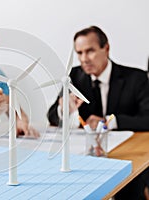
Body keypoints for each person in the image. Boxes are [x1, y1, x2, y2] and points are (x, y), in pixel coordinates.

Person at [47, 25, 149, 199]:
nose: (84, 59)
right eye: (79, 53)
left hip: (127, 154)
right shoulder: (75, 76)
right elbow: (51, 116)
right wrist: (64, 110)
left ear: (106, 48)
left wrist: (108, 122)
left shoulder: (136, 78)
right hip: (89, 155)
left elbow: (147, 118)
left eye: (90, 51)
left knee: (132, 184)